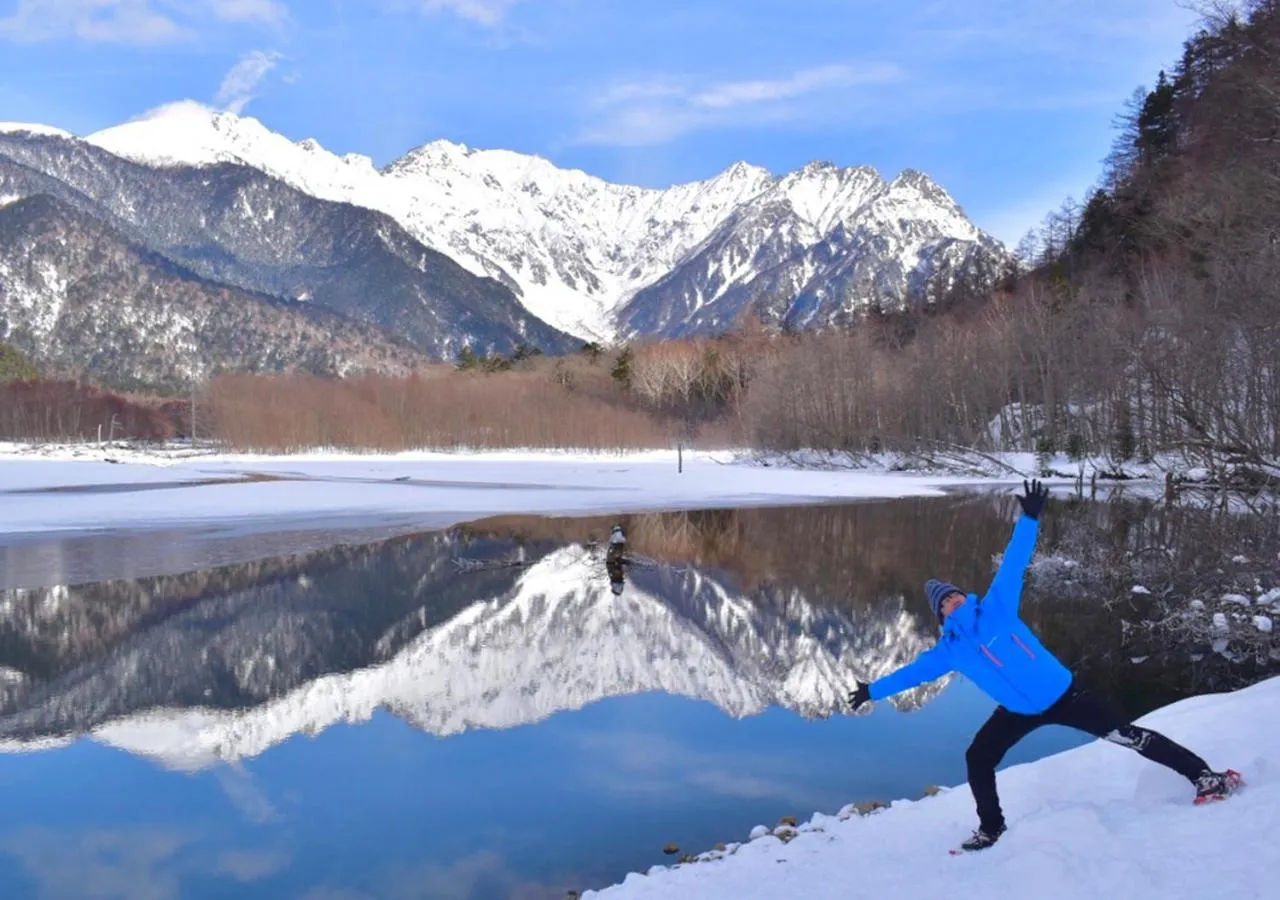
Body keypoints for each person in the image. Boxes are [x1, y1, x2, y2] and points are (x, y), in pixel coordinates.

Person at [846, 479, 1241, 852]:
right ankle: (991, 827)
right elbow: (913, 674)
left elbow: (1015, 563)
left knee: (1128, 735)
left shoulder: (997, 607)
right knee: (977, 758)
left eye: (952, 595)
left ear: (962, 595)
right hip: (1016, 713)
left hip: (1066, 696)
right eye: (944, 603)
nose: (952, 602)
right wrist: (872, 691)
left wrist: (1030, 518)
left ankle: (1204, 776)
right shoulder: (950, 650)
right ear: (941, 615)